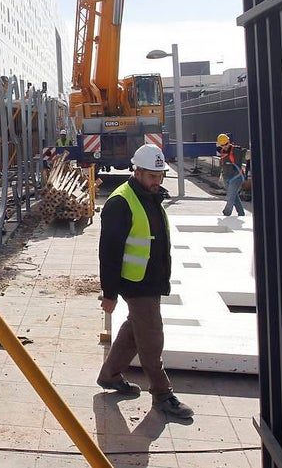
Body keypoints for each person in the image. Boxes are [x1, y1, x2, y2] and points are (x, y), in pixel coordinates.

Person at [96, 144, 194, 419]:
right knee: (151, 337)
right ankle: (162, 394)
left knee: (135, 329)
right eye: (152, 176)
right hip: (136, 282)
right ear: (137, 171)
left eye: (160, 176)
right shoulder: (120, 202)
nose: (157, 181)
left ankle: (110, 374)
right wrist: (109, 293)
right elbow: (109, 252)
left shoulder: (151, 197)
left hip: (152, 279)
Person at [216, 133, 246, 217]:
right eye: (222, 145)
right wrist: (221, 177)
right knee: (234, 196)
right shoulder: (222, 152)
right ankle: (241, 213)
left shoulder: (237, 150)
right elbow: (223, 165)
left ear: (229, 142)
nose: (225, 146)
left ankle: (226, 213)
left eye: (226, 144)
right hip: (226, 177)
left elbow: (247, 153)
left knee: (230, 196)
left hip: (236, 177)